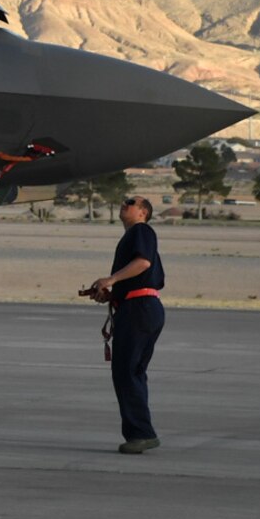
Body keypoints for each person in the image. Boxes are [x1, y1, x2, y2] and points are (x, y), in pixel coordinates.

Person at [81, 194, 166, 453]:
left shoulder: (141, 230)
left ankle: (141, 434)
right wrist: (110, 292)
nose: (123, 203)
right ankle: (140, 432)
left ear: (143, 212)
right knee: (133, 372)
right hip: (141, 307)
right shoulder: (135, 235)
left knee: (126, 372)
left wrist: (111, 279)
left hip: (139, 309)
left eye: (130, 202)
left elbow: (143, 263)